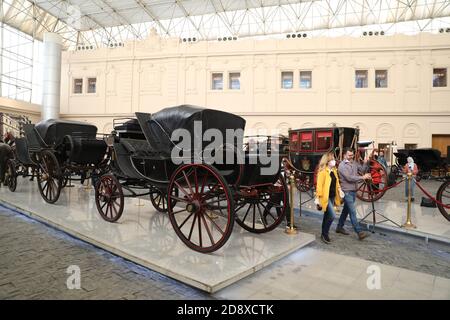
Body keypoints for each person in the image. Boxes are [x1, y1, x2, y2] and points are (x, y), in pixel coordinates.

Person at [336, 148, 371, 240]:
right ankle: (359, 232)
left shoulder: (354, 162)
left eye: (352, 155)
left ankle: (339, 227)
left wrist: (366, 162)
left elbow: (363, 169)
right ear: (344, 155)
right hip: (346, 191)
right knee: (352, 212)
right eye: (349, 155)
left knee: (346, 211)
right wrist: (363, 177)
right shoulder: (342, 166)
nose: (351, 156)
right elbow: (349, 178)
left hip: (353, 191)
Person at [315, 152, 343, 244]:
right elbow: (319, 186)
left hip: (332, 196)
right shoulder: (322, 172)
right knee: (332, 216)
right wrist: (317, 198)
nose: (334, 161)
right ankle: (325, 234)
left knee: (327, 215)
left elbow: (337, 182)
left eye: (333, 159)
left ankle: (323, 234)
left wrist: (340, 190)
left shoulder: (334, 170)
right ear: (327, 161)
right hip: (325, 197)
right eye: (332, 160)